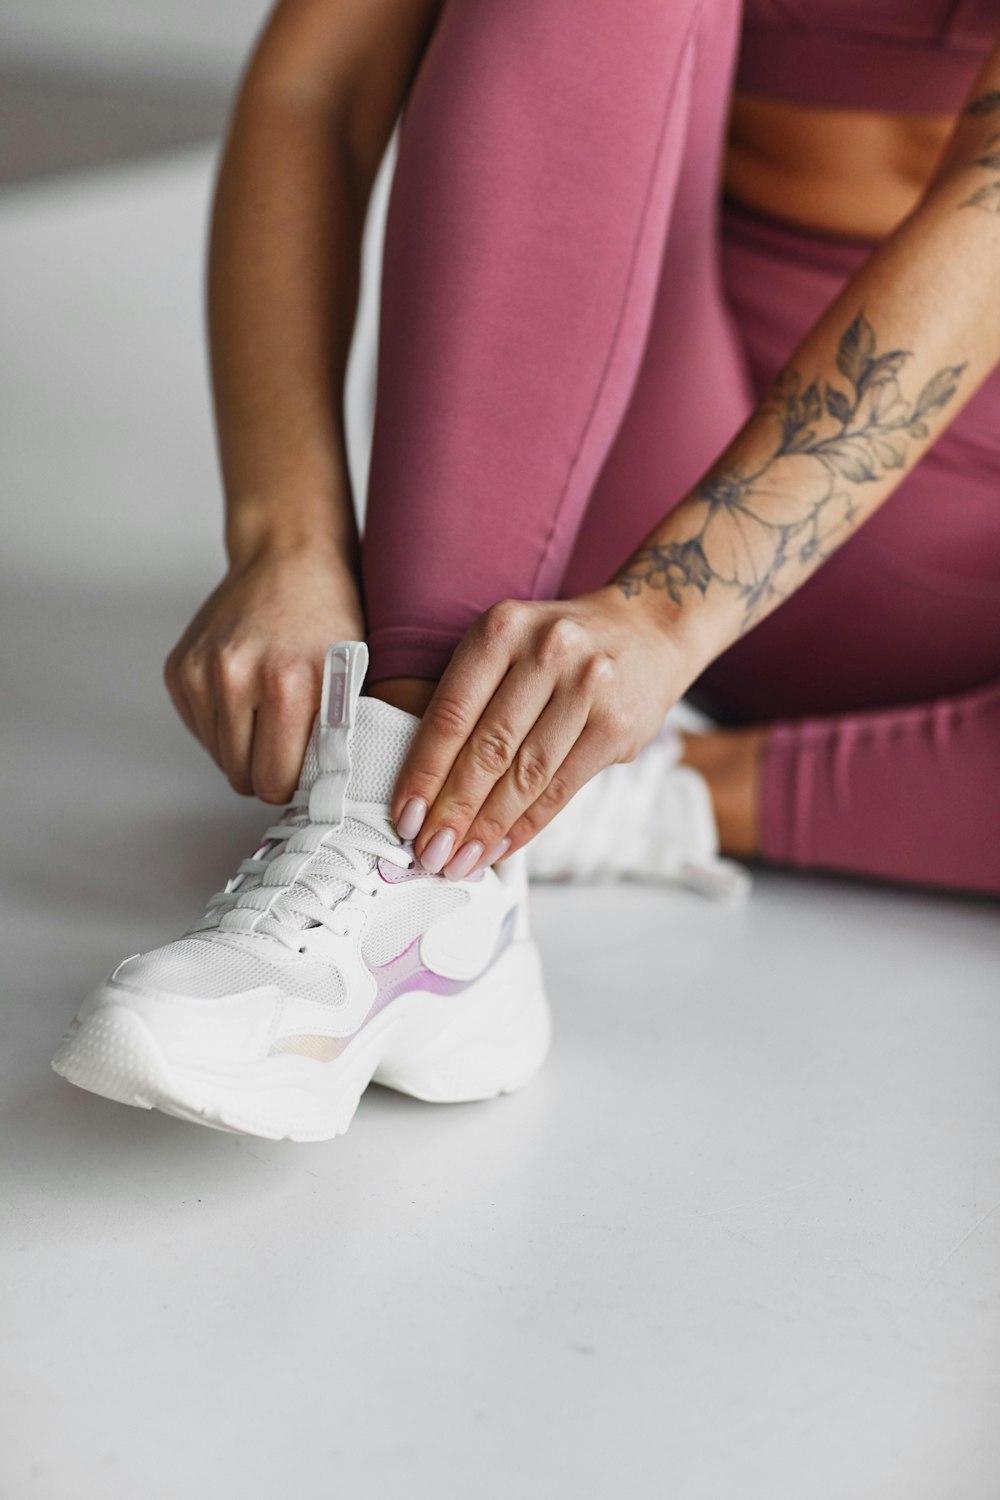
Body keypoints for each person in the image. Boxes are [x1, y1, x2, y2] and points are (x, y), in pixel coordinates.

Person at [52, 0, 1000, 1140]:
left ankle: (631, 796)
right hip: (638, 414)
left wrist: (672, 614)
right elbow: (322, 83)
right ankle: (413, 850)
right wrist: (284, 542)